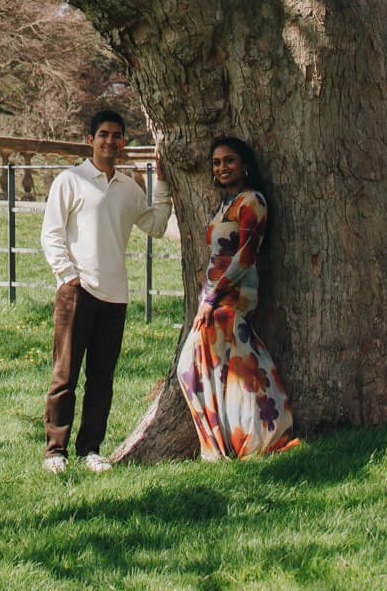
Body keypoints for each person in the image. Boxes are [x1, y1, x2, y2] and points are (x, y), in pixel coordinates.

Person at [39, 107, 171, 473]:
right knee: (65, 376)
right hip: (76, 293)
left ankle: (90, 449)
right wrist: (68, 275)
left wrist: (162, 184)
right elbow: (51, 233)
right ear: (91, 140)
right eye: (103, 135)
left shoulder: (129, 188)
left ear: (123, 142)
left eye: (116, 135)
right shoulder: (70, 180)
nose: (110, 141)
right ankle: (55, 451)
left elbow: (157, 226)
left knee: (101, 379)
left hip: (115, 297)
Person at [176, 134, 298, 460]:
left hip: (236, 293)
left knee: (212, 365)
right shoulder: (224, 205)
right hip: (215, 295)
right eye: (216, 163)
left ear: (245, 165)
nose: (222, 167)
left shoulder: (252, 201)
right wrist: (206, 297)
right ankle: (223, 442)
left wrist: (211, 299)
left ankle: (261, 434)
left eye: (229, 160)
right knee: (210, 367)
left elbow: (245, 256)